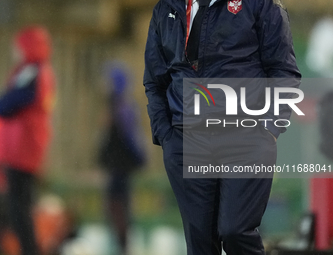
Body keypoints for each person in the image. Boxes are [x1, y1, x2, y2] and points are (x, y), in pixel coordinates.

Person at [144, 0, 301, 254]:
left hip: (246, 136)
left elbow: (284, 71)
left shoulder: (260, 5)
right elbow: (154, 81)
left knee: (235, 231)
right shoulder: (167, 9)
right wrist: (166, 136)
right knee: (200, 243)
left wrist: (269, 129)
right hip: (185, 140)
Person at [0, 26, 55, 255]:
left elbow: (10, 102)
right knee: (21, 206)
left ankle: (29, 250)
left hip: (21, 150)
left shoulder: (32, 70)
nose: (15, 51)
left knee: (18, 207)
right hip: (27, 148)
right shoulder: (40, 71)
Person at [98, 62, 145, 255]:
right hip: (117, 165)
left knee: (117, 206)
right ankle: (122, 246)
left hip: (120, 166)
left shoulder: (121, 106)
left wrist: (138, 157)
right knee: (115, 206)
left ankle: (123, 248)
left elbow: (128, 137)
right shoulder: (116, 105)